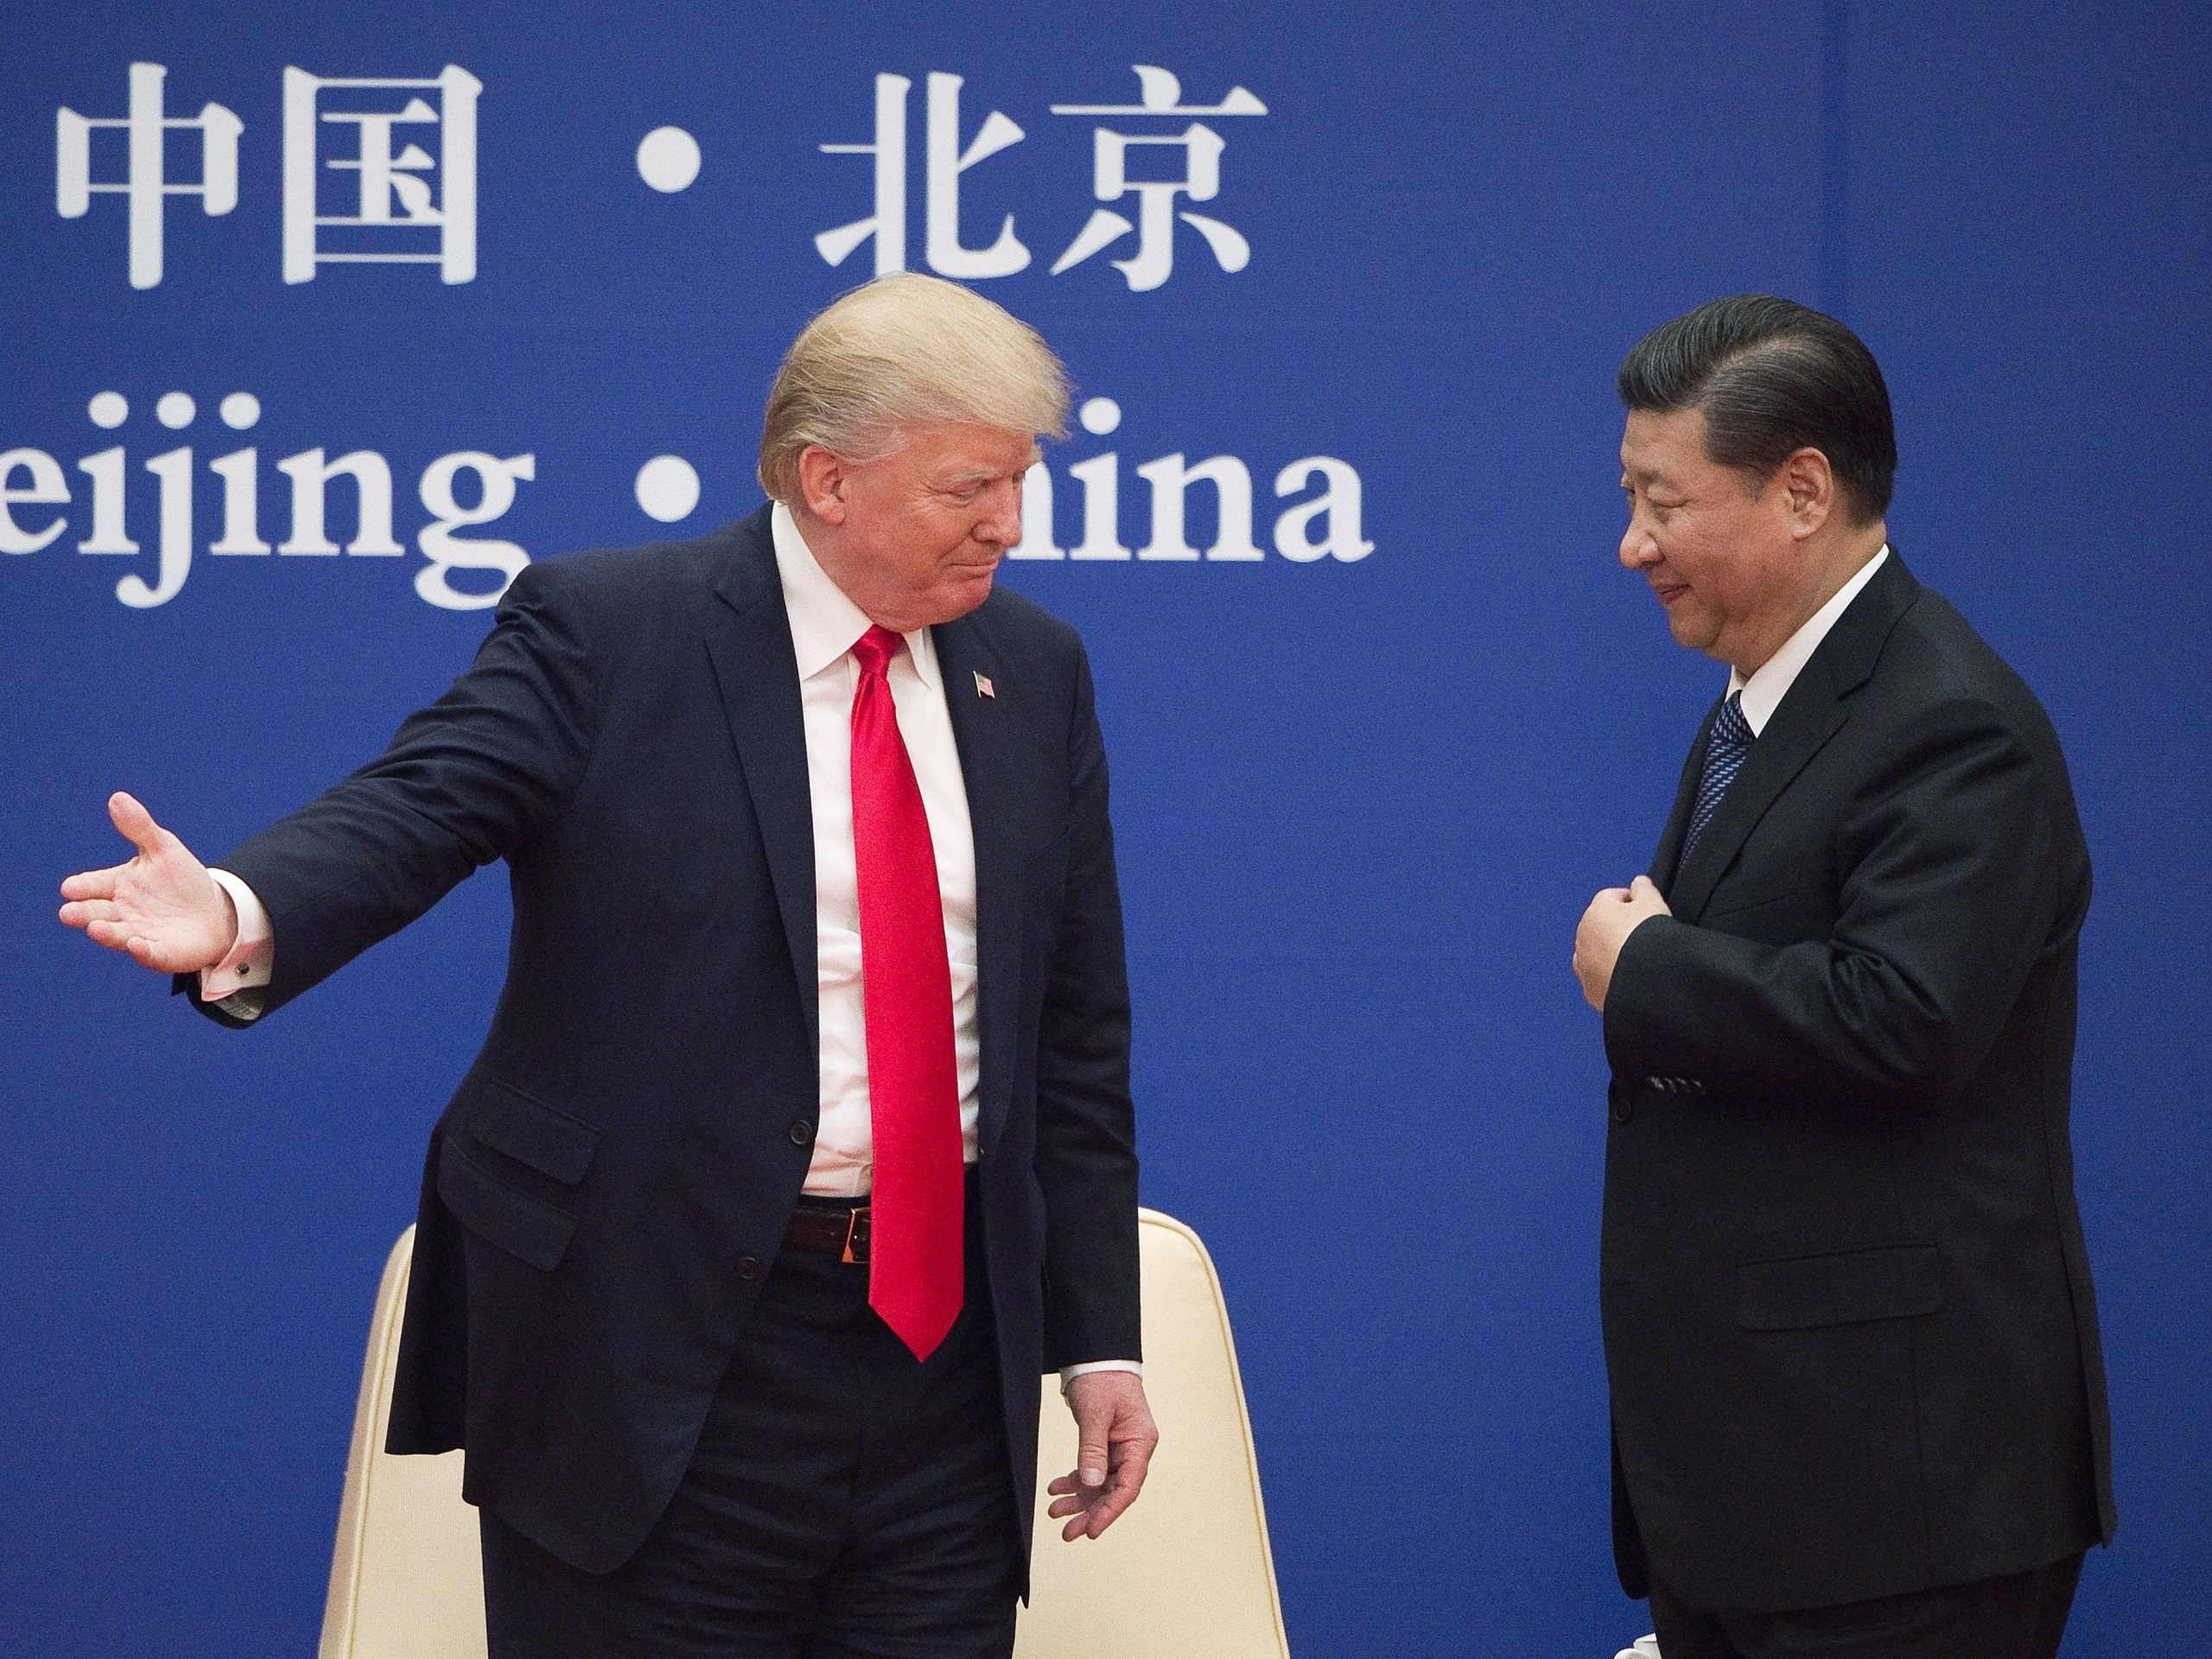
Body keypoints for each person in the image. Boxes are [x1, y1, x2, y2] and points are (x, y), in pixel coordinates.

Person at [60, 272, 1155, 1659]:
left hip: (940, 1373)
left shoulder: (1033, 668)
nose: (1009, 522)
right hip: (655, 1356)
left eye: (1019, 482)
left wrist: (1096, 1338)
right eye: (968, 487)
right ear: (827, 480)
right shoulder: (613, 629)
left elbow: (1072, 1036)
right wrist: (240, 901)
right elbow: (424, 802)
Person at [1573, 296, 2113, 1659]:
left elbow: (1908, 1020)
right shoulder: (1764, 699)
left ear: (1801, 490)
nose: (1632, 544)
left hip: (1898, 1510)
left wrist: (1648, 972)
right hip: (1766, 1496)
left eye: (1662, 502)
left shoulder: (1951, 723)